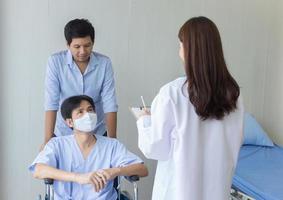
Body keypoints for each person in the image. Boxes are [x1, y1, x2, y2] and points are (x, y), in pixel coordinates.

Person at [136, 16, 244, 200]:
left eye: (180, 45)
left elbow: (155, 148)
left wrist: (145, 120)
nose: (179, 51)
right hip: (216, 192)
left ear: (189, 49)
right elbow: (235, 143)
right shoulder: (234, 95)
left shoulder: (172, 93)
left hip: (177, 193)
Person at [30, 95, 148, 199]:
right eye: (80, 112)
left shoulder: (111, 145)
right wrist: (78, 177)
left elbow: (142, 169)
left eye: (90, 110)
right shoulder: (56, 144)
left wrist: (116, 171)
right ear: (70, 122)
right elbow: (38, 170)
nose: (88, 115)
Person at [43, 18, 118, 148]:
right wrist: (47, 140)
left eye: (87, 45)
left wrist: (113, 141)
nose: (83, 51)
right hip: (65, 133)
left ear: (93, 43)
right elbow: (51, 102)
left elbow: (110, 103)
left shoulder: (104, 63)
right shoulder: (55, 62)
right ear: (68, 45)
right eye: (77, 47)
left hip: (97, 132)